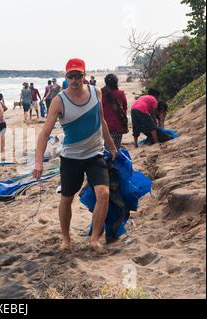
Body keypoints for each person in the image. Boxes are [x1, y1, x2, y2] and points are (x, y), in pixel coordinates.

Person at [34, 58, 118, 254]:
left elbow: (102, 121)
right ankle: (66, 238)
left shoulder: (96, 93)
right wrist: (38, 162)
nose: (74, 79)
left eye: (78, 75)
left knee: (104, 194)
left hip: (95, 154)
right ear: (66, 77)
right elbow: (45, 133)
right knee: (66, 198)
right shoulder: (59, 101)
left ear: (84, 75)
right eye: (70, 76)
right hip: (71, 158)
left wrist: (112, 146)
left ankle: (95, 238)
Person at [101, 74, 128, 149]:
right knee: (115, 149)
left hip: (104, 126)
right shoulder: (121, 93)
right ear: (116, 82)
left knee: (105, 149)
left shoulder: (101, 94)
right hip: (117, 126)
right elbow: (124, 108)